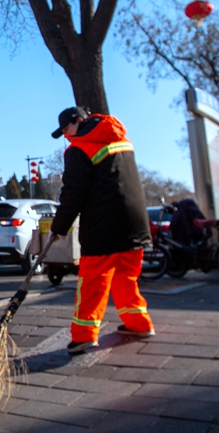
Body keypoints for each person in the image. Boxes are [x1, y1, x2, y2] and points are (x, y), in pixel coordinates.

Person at [48, 106, 155, 355]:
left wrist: (59, 227)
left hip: (103, 226)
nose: (66, 135)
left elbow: (74, 192)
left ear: (78, 121)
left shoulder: (79, 148)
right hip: (135, 223)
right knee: (125, 278)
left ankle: (84, 336)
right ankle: (139, 324)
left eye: (66, 129)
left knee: (92, 282)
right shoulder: (122, 141)